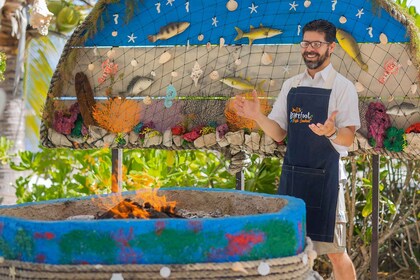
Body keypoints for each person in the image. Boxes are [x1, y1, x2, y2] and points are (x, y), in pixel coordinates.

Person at [233, 19, 359, 280]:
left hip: (327, 182)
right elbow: (279, 132)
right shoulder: (291, 85)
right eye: (305, 43)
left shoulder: (343, 87)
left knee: (335, 252)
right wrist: (257, 116)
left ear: (331, 48)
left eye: (316, 43)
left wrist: (332, 132)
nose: (309, 49)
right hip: (293, 179)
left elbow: (348, 138)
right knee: (291, 250)